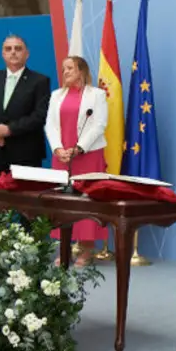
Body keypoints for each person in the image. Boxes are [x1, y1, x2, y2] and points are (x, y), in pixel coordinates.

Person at [45, 56, 109, 266]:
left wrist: (79, 148)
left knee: (86, 200)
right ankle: (65, 248)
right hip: (62, 156)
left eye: (70, 68)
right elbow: (50, 125)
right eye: (64, 68)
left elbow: (99, 124)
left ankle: (87, 249)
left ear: (81, 70)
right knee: (63, 201)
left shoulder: (97, 95)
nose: (65, 72)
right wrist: (57, 149)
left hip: (88, 155)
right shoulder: (56, 95)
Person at [0, 35, 51, 187]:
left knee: (25, 200)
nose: (13, 52)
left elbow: (40, 116)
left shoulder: (40, 81)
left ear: (27, 54)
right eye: (8, 49)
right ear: (3, 54)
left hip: (26, 153)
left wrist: (10, 129)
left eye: (18, 48)